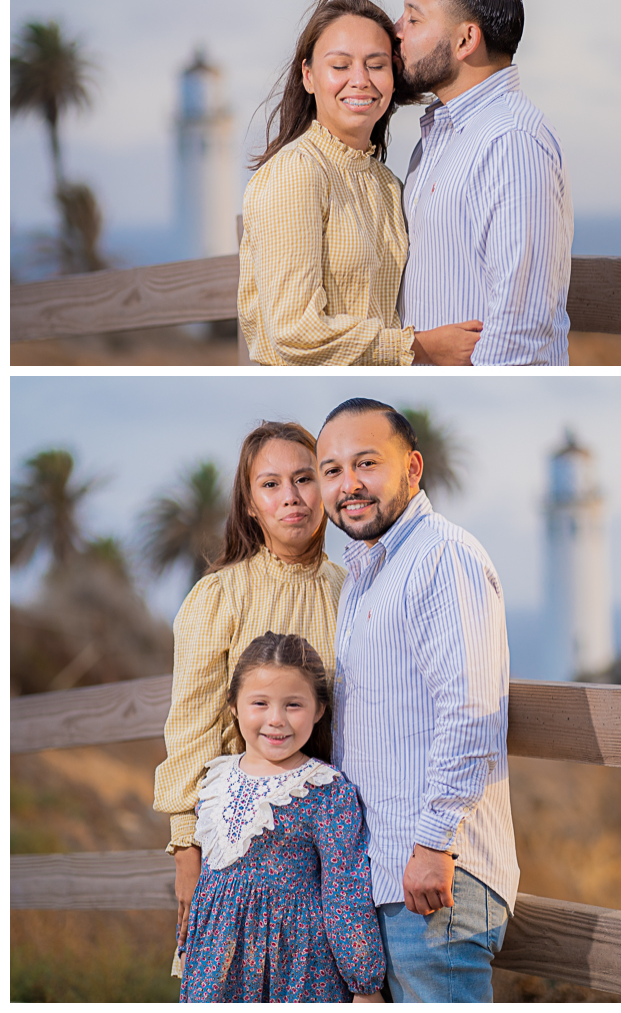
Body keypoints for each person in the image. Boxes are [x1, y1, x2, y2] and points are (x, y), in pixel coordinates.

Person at [316, 398, 520, 1003]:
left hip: (437, 880)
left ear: (413, 468)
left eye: (366, 463)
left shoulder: (442, 557)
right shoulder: (364, 574)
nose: (348, 484)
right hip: (385, 882)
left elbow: (471, 713)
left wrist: (433, 845)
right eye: (331, 470)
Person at [153, 421, 347, 972]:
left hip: (330, 846)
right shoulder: (220, 595)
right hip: (239, 848)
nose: (291, 496)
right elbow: (191, 726)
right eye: (271, 484)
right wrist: (186, 848)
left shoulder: (351, 589)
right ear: (250, 505)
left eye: (305, 478)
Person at [237, 0, 482, 366]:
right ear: (308, 76)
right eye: (340, 66)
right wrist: (420, 348)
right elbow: (294, 333)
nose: (360, 80)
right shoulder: (296, 171)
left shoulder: (387, 184)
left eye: (376, 64)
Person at [178, 632, 386, 1002]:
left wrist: (364, 985)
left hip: (294, 967)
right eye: (260, 702)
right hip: (215, 967)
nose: (276, 720)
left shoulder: (325, 790)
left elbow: (345, 891)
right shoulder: (216, 779)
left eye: (293, 705)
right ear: (234, 705)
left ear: (319, 709)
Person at [395, 0, 574, 365]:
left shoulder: (512, 142)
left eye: (413, 19)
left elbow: (519, 329)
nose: (396, 30)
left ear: (465, 40)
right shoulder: (436, 139)